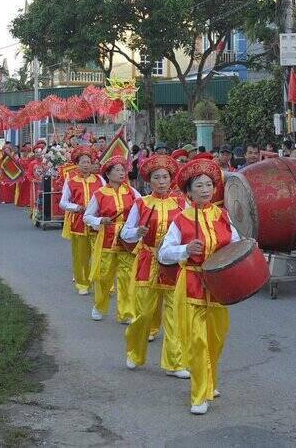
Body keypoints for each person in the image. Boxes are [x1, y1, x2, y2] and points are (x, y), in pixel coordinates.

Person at [158, 157, 240, 415]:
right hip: (191, 283)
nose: (205, 190)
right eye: (199, 186)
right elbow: (163, 254)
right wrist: (185, 249)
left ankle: (210, 381)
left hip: (218, 287)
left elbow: (235, 245)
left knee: (216, 339)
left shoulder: (223, 216)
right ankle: (198, 394)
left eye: (208, 185)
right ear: (189, 192)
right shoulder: (181, 220)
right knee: (196, 341)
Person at [122, 154, 188, 377]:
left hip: (173, 263)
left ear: (171, 179)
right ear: (149, 181)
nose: (161, 181)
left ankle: (175, 362)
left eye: (165, 177)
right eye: (157, 177)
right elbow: (125, 233)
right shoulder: (141, 203)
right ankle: (134, 353)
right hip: (147, 260)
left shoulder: (181, 204)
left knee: (174, 313)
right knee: (143, 313)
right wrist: (136, 233)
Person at [87, 156, 141, 323]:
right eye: (117, 170)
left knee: (127, 277)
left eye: (122, 170)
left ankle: (126, 312)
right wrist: (100, 220)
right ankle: (99, 305)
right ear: (108, 174)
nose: (121, 173)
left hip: (127, 240)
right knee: (104, 276)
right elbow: (87, 216)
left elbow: (143, 207)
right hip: (107, 239)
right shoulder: (100, 193)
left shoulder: (131, 192)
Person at [60, 147, 103, 296]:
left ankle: (103, 284)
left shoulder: (99, 180)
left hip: (96, 222)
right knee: (81, 256)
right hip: (78, 222)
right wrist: (76, 207)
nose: (86, 165)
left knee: (100, 255)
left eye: (89, 162)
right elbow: (63, 202)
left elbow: (106, 196)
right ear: (77, 164)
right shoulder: (71, 181)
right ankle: (82, 283)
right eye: (83, 162)